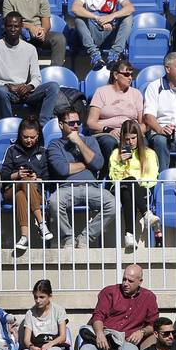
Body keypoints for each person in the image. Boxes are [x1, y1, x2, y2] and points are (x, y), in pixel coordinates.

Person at [47, 105, 117, 248]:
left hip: (91, 187)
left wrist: (79, 141)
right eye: (71, 123)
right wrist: (87, 162)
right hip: (67, 189)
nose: (76, 126)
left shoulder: (90, 141)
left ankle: (86, 237)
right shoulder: (55, 145)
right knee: (54, 201)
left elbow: (98, 164)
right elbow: (63, 169)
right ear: (61, 125)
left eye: (78, 123)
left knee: (113, 203)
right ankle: (68, 237)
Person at [77, 264, 157, 350]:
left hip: (126, 340)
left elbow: (153, 324)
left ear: (140, 281)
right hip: (104, 336)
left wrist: (142, 332)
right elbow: (98, 316)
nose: (125, 283)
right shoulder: (109, 292)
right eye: (124, 279)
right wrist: (99, 333)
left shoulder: (149, 297)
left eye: (130, 281)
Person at [0, 11, 59, 120]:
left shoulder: (30, 49)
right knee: (1, 92)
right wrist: (8, 86)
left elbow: (37, 77)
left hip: (24, 91)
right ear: (4, 27)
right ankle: (9, 123)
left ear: (21, 27)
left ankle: (43, 124)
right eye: (10, 26)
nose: (13, 29)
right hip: (5, 90)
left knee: (53, 87)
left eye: (16, 26)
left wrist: (29, 87)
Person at [2, 118, 53, 250]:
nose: (29, 140)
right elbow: (3, 176)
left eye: (32, 137)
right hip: (11, 189)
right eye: (25, 137)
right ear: (20, 135)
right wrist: (17, 175)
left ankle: (24, 237)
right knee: (24, 181)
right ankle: (42, 224)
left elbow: (48, 179)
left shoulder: (43, 151)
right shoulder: (12, 150)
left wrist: (38, 179)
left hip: (35, 193)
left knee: (21, 195)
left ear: (38, 136)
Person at [108, 120, 159, 252]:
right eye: (127, 139)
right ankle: (146, 214)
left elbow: (152, 176)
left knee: (129, 191)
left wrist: (136, 183)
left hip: (142, 188)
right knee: (128, 184)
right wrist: (123, 163)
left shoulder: (149, 153)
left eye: (133, 138)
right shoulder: (116, 154)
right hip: (120, 187)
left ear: (139, 137)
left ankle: (129, 234)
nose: (130, 142)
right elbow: (114, 177)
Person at [2, 0, 67, 66]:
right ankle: (21, 72)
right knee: (15, 36)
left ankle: (55, 70)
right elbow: (9, 22)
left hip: (38, 34)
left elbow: (46, 22)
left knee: (59, 38)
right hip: (20, 33)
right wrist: (30, 27)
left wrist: (43, 32)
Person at [16, 279, 66, 350]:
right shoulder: (30, 313)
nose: (38, 300)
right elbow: (26, 339)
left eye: (42, 297)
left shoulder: (59, 310)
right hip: (37, 348)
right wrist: (31, 346)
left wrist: (50, 344)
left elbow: (63, 337)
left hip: (54, 346)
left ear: (50, 296)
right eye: (35, 297)